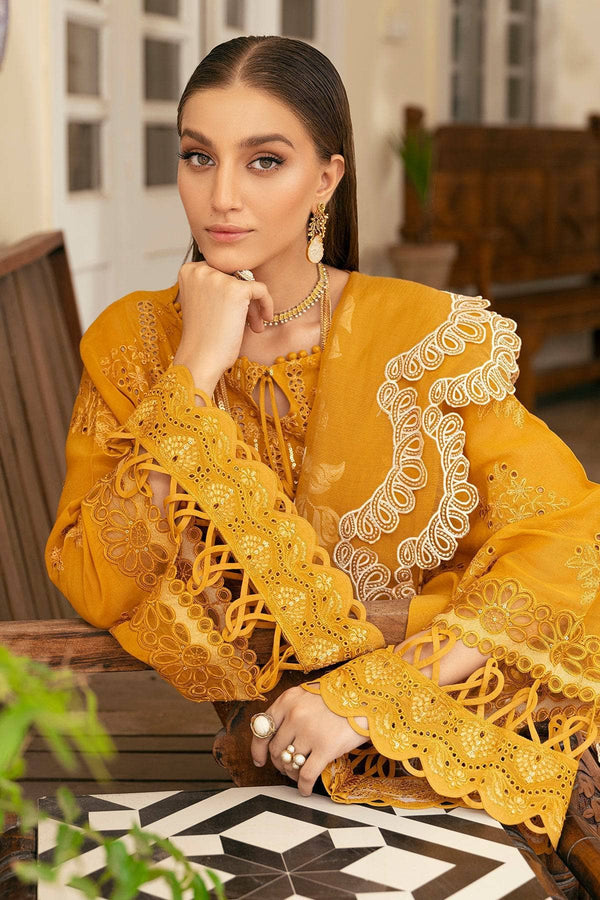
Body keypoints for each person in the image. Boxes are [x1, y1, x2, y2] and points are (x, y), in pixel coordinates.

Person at [46, 35, 600, 850]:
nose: (221, 196)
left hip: (460, 711)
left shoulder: (423, 335)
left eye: (264, 161)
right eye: (199, 157)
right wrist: (195, 370)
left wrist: (373, 696)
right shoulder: (136, 345)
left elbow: (571, 542)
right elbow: (96, 577)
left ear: (326, 179)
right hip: (289, 773)